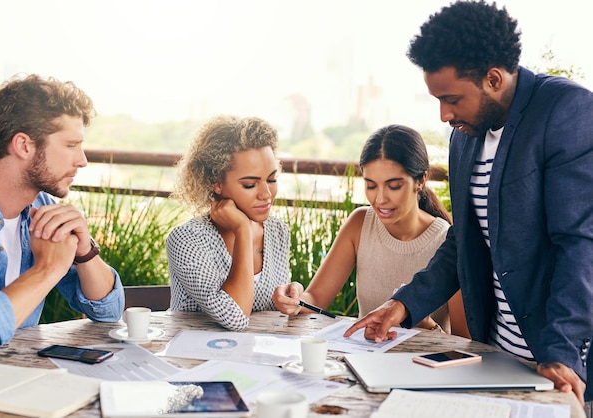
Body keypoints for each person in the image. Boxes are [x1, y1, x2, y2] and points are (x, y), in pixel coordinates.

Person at [344, 0, 593, 410]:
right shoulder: (465, 135)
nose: (443, 114)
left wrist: (561, 352)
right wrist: (403, 304)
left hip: (558, 360)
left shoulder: (566, 112)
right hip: (493, 355)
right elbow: (466, 239)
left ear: (493, 79)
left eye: (452, 98)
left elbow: (580, 244)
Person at [0, 74, 125, 365]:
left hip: (17, 382)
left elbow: (109, 312)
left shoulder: (43, 208)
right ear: (24, 146)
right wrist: (47, 270)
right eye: (70, 145)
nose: (82, 160)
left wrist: (85, 252)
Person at [273, 124, 469, 336]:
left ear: (420, 180)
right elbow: (314, 298)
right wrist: (294, 299)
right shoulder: (360, 224)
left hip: (423, 365)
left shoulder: (448, 244)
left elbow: (463, 343)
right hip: (363, 360)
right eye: (371, 185)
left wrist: (424, 323)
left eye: (394, 186)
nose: (380, 199)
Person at [166, 115, 290, 331]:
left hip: (258, 358)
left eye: (271, 179)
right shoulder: (186, 240)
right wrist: (242, 229)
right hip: (194, 359)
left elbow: (272, 309)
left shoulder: (277, 231)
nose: (267, 194)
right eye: (250, 185)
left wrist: (288, 297)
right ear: (216, 184)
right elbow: (235, 318)